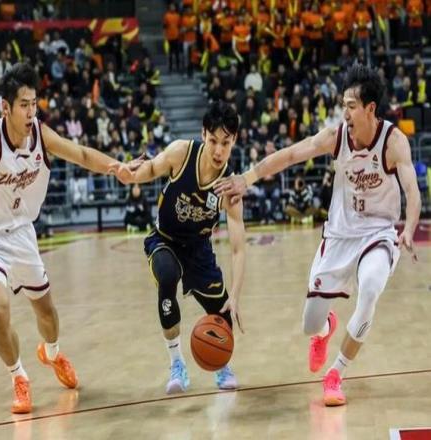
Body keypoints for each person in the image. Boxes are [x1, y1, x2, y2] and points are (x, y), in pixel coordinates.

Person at [215, 65, 421, 406]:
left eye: (351, 106)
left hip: (378, 233)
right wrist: (246, 179)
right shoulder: (335, 137)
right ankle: (325, 329)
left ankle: (336, 373)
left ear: (370, 108)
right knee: (310, 324)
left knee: (371, 288)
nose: (345, 114)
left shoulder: (394, 142)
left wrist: (409, 228)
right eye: (343, 106)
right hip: (339, 236)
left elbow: (412, 191)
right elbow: (290, 155)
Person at [0, 63, 134, 414]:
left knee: (47, 312)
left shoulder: (42, 135)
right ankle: (19, 377)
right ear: (6, 107)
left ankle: (52, 353)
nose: (31, 112)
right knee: (0, 309)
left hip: (23, 234)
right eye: (24, 105)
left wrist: (116, 167)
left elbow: (81, 154)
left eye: (34, 103)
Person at [110, 101, 245, 394]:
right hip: (165, 239)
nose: (218, 150)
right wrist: (130, 175)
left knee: (223, 312)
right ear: (203, 134)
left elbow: (238, 248)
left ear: (234, 140)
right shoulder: (181, 153)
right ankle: (177, 364)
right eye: (213, 141)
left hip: (199, 249)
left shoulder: (230, 187)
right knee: (167, 276)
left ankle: (221, 364)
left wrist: (235, 295)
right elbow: (151, 168)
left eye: (225, 143)